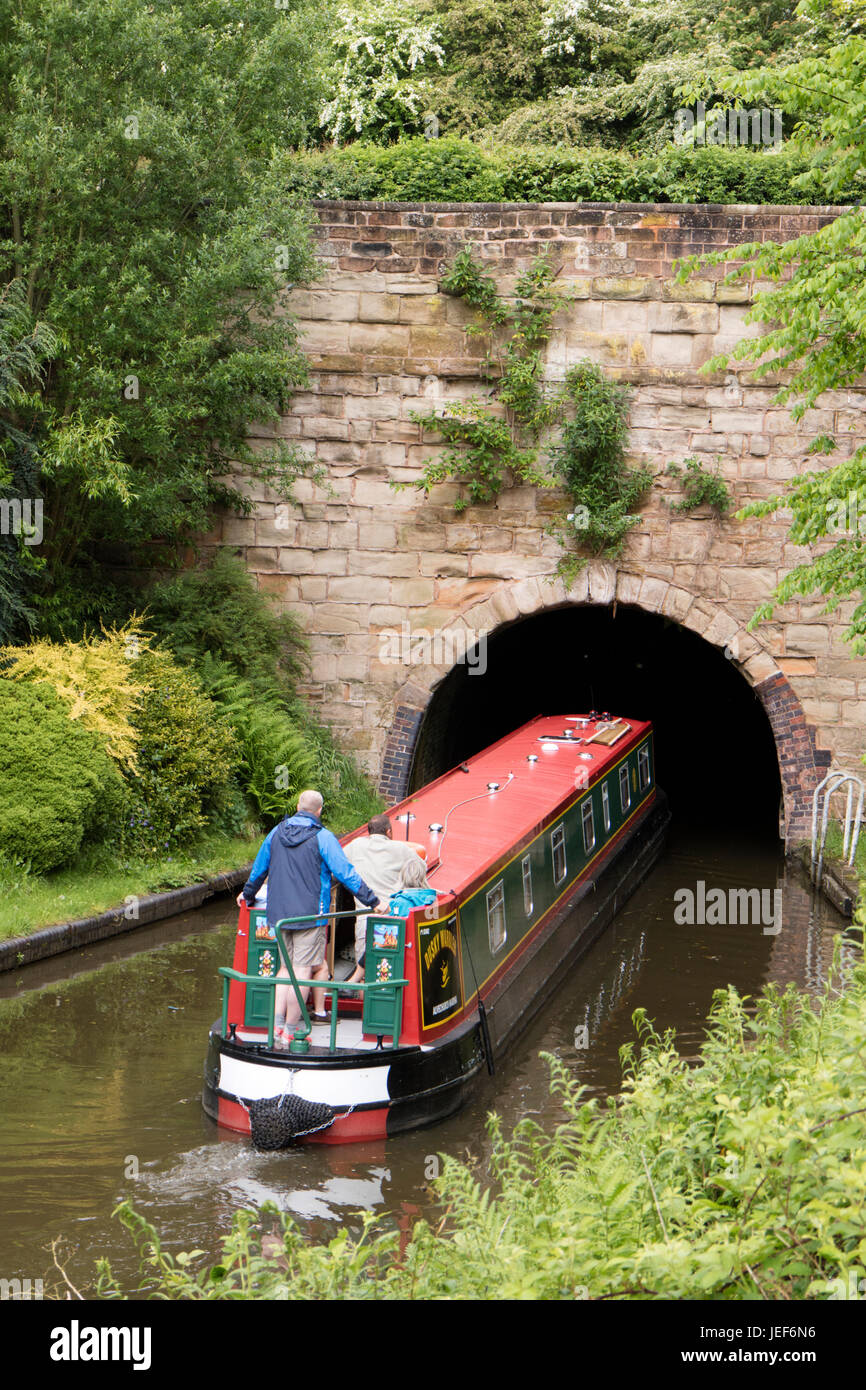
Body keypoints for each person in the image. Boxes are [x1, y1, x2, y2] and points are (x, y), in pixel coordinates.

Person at [237, 790, 386, 1045]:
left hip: (279, 914)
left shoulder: (276, 833)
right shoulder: (323, 838)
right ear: (319, 811)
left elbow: (259, 869)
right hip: (311, 916)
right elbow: (346, 873)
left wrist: (247, 895)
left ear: (297, 806)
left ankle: (277, 1026)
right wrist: (373, 901)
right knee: (302, 972)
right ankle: (291, 1030)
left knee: (284, 970)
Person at [343, 814, 427, 983]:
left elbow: (338, 865)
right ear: (389, 831)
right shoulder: (401, 849)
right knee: (384, 976)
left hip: (365, 919)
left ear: (369, 831)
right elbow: (421, 868)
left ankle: (362, 1004)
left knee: (365, 979)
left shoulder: (355, 846)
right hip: (391, 920)